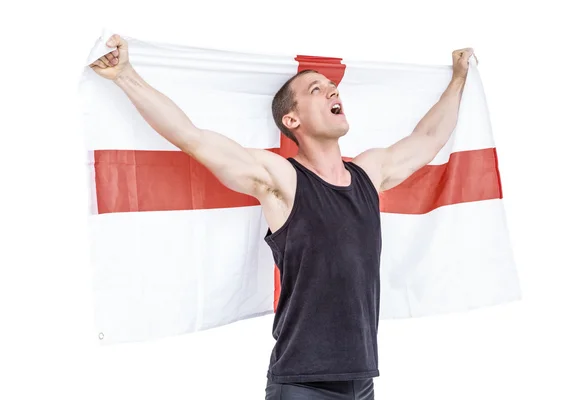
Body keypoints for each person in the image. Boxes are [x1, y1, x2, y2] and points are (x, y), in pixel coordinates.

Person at [89, 33, 474, 400]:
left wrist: (458, 78)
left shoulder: (369, 174)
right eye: (316, 90)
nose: (332, 90)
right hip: (301, 385)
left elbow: (427, 139)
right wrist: (125, 74)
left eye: (331, 86)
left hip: (362, 380)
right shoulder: (282, 180)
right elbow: (192, 137)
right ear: (292, 121)